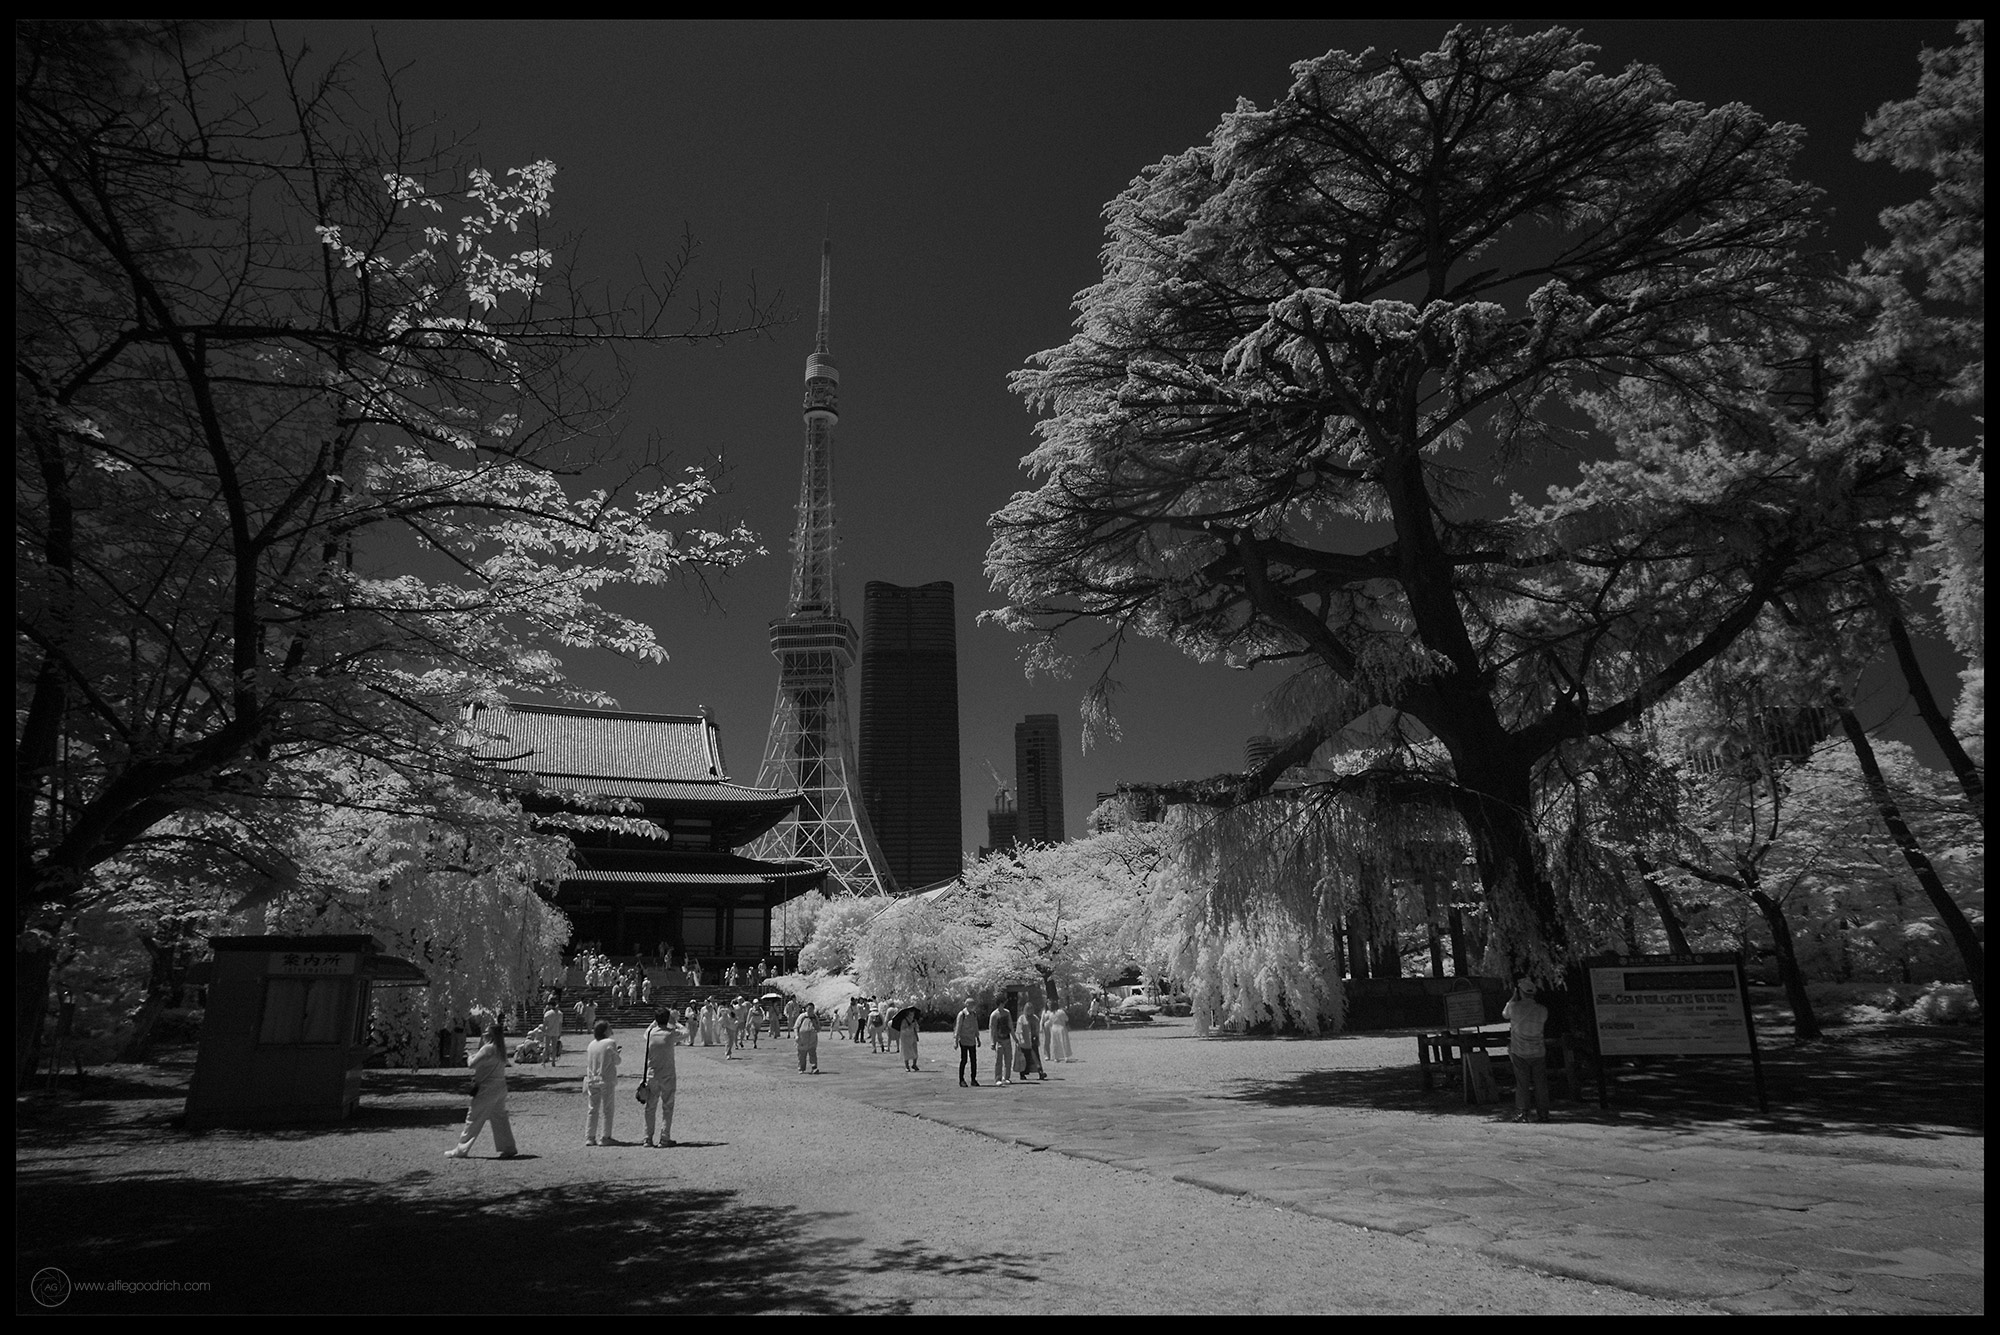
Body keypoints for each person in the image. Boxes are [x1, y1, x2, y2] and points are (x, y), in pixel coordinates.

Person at [446, 1022, 518, 1158]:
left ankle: (461, 1149)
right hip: (500, 1086)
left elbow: (472, 1065)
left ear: (490, 1035)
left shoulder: (488, 1049)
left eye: (485, 1033)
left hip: (487, 1088)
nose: (483, 1035)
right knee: (500, 1118)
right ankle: (508, 1147)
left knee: (473, 1118)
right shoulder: (501, 1049)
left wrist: (469, 1056)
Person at [1504, 977, 1552, 1123]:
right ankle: (1543, 1113)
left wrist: (1513, 997)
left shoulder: (1514, 1007)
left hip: (1519, 1051)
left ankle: (1522, 1113)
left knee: (1522, 1083)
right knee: (1540, 1084)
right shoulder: (1542, 1010)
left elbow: (1505, 1014)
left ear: (1521, 992)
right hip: (1538, 1051)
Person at [640, 1008, 683, 1148]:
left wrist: (655, 1021)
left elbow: (646, 1031)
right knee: (668, 1106)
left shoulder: (651, 1033)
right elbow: (687, 1033)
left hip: (652, 1074)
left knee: (650, 1107)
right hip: (667, 1074)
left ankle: (647, 1137)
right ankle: (664, 1137)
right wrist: (675, 1021)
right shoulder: (670, 1034)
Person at [583, 1019, 622, 1146]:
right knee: (607, 1109)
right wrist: (617, 1054)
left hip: (592, 1079)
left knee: (592, 1108)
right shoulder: (610, 1042)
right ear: (605, 1031)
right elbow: (617, 1061)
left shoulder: (591, 1044)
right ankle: (605, 1136)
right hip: (606, 1079)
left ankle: (590, 1136)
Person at [954, 997, 982, 1087]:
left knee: (974, 1060)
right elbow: (958, 1028)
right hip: (964, 1040)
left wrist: (978, 1038)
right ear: (967, 1005)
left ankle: (973, 1079)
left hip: (972, 1041)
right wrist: (956, 1040)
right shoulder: (962, 1014)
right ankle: (961, 1080)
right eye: (972, 1005)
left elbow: (975, 1026)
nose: (973, 1007)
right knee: (964, 1060)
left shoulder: (974, 1014)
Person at [1017, 1000, 1047, 1080]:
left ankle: (1040, 1072)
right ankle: (1022, 1074)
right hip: (1024, 1042)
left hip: (1033, 1041)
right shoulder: (1021, 1018)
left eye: (1031, 1009)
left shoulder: (1035, 1018)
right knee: (1024, 1059)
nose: (1030, 1010)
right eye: (1028, 1009)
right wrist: (1020, 1040)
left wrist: (1037, 1039)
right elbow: (1018, 1031)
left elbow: (1037, 1030)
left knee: (1036, 1057)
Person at [988, 1000, 1015, 1086]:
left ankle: (1007, 1077)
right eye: (1002, 1003)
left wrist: (1014, 1037)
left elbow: (1010, 1025)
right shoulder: (994, 1015)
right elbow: (992, 1029)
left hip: (1007, 1039)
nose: (1003, 1005)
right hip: (999, 1040)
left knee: (1008, 1059)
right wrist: (992, 1042)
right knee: (998, 1060)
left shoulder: (1007, 1013)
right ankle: (998, 1078)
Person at [794, 1001, 820, 1073]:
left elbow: (818, 1028)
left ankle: (814, 1067)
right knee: (801, 1055)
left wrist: (815, 1026)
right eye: (808, 1008)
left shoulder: (815, 1017)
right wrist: (796, 1036)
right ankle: (801, 1069)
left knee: (813, 1053)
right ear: (806, 1009)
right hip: (802, 1039)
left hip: (812, 1040)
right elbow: (796, 1027)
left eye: (811, 1009)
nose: (810, 1010)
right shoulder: (802, 1016)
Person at [541, 998, 565, 1067]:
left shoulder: (547, 1014)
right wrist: (560, 1032)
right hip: (556, 1031)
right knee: (554, 1047)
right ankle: (553, 1061)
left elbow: (545, 1024)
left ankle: (543, 1062)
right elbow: (560, 1024)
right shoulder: (560, 1014)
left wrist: (543, 1030)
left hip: (548, 1031)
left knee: (546, 1047)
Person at [897, 1007, 921, 1072]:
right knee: (906, 1051)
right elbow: (903, 1030)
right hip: (905, 1037)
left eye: (913, 1013)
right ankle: (907, 1066)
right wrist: (910, 1027)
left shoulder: (914, 1020)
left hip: (912, 1036)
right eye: (911, 1013)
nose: (912, 1015)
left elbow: (917, 1029)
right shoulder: (904, 1020)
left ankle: (914, 1064)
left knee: (915, 1050)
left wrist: (916, 1028)